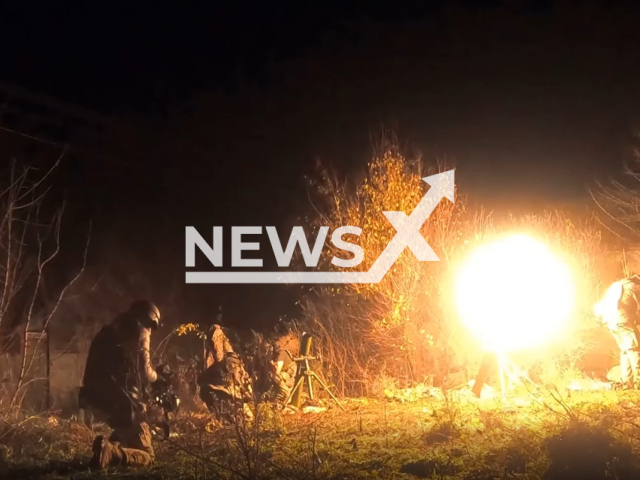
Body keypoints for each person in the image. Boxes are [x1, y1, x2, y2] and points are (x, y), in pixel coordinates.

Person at [79, 300, 163, 469]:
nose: (151, 332)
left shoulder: (108, 330)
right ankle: (112, 453)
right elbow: (145, 372)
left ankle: (104, 452)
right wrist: (158, 378)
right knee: (148, 455)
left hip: (92, 398)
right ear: (150, 320)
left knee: (126, 431)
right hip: (120, 402)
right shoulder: (140, 329)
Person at [594, 275, 640, 388]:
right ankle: (638, 382)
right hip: (623, 320)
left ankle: (627, 383)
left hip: (610, 321)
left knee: (625, 351)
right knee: (635, 349)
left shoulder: (617, 284)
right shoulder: (635, 287)